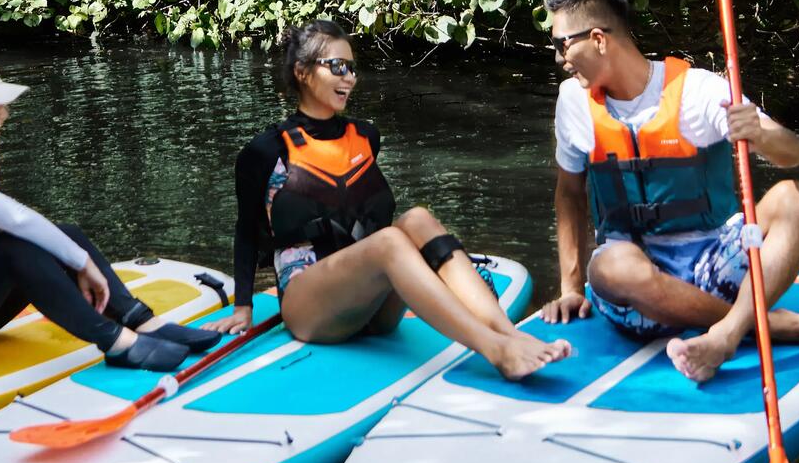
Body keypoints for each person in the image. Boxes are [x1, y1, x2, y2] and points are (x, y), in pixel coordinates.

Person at [537, 0, 799, 382]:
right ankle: (773, 326)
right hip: (638, 297)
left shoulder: (699, 91)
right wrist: (571, 288)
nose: (560, 58)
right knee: (613, 266)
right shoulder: (573, 102)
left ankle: (728, 333)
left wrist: (759, 132)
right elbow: (570, 195)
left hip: (714, 266)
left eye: (562, 44)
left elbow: (795, 155)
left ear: (598, 39)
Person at [216, 20, 569, 379]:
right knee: (389, 242)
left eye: (352, 68)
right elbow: (246, 230)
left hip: (373, 308)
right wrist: (242, 306)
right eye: (337, 67)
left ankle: (510, 335)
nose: (349, 78)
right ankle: (495, 350)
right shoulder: (264, 151)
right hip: (311, 309)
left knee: (417, 219)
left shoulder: (366, 137)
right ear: (303, 73)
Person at [0, 56, 220, 370]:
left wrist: (74, 255)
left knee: (61, 233)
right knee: (14, 247)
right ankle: (116, 342)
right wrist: (83, 264)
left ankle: (141, 321)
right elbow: (18, 220)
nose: (4, 113)